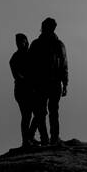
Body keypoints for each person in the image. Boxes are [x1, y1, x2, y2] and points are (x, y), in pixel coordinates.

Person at [28, 17, 68, 147]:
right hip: (42, 83)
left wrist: (65, 83)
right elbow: (30, 66)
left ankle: (52, 138)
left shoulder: (57, 45)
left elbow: (63, 65)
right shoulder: (38, 45)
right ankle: (47, 138)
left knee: (50, 111)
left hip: (52, 83)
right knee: (44, 112)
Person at [8, 33, 36, 148]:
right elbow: (17, 75)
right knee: (26, 115)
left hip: (32, 89)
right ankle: (26, 140)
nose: (20, 44)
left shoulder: (31, 55)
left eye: (21, 41)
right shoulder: (14, 58)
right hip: (22, 91)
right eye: (18, 42)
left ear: (26, 41)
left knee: (39, 113)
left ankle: (29, 137)